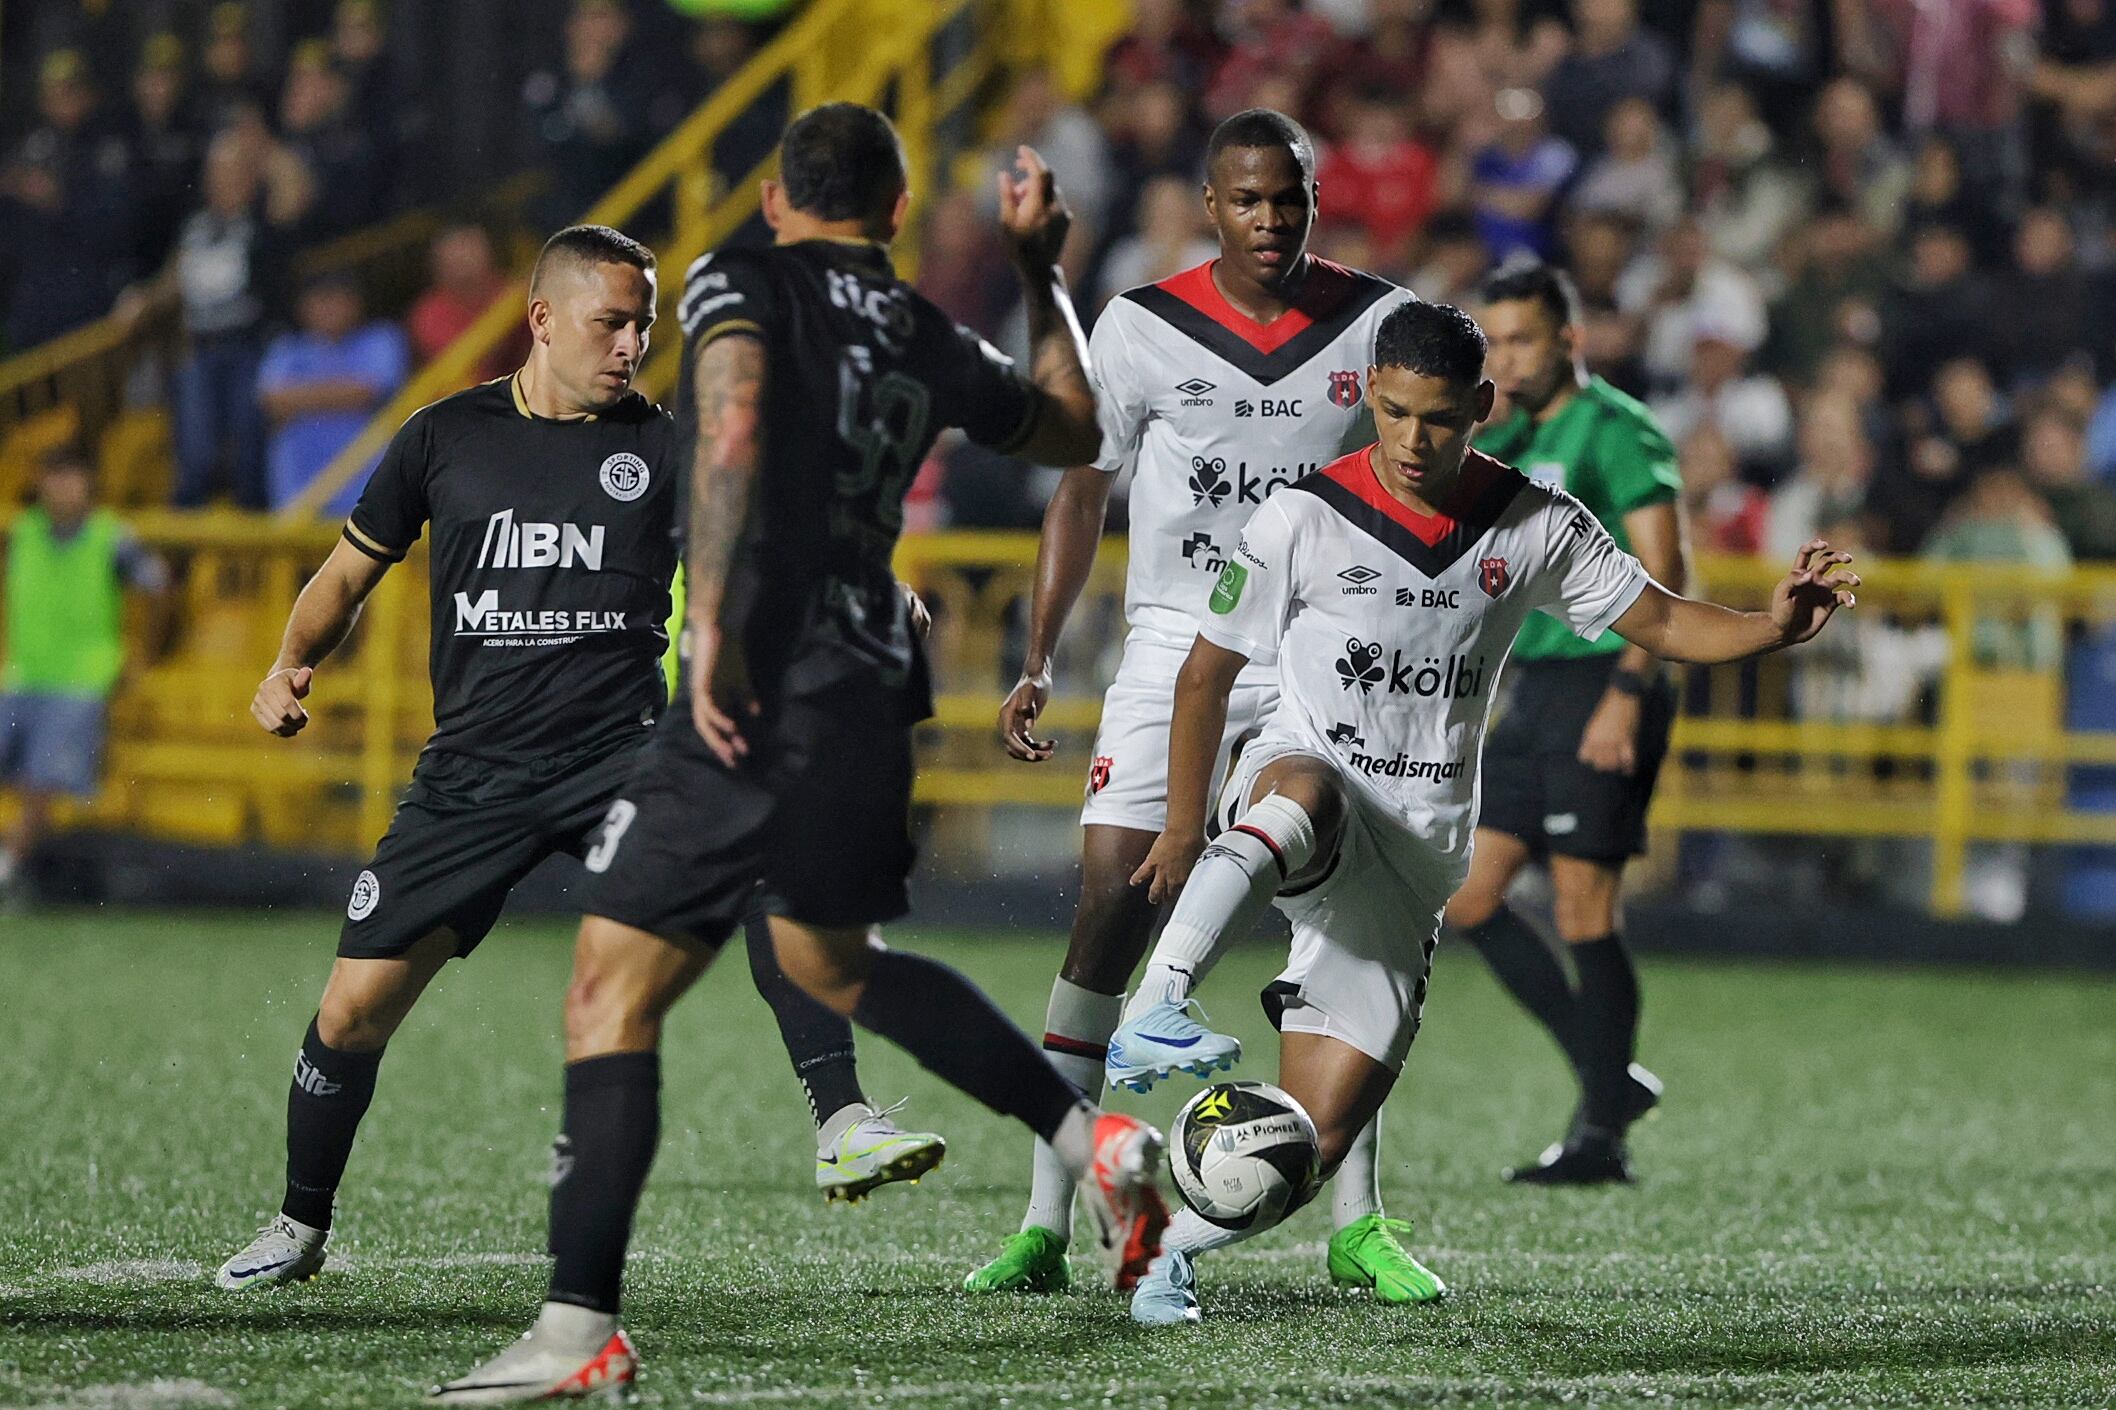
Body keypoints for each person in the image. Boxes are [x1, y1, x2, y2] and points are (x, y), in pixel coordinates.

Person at [433, 106, 1164, 1403]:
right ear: (891, 216)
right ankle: (1088, 1133)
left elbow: (727, 428)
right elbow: (1071, 430)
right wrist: (1042, 266)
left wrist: (711, 622)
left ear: (776, 200)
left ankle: (579, 1324)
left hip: (765, 672)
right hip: (878, 681)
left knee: (608, 992)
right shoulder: (926, 329)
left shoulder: (739, 278)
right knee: (833, 961)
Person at [213, 224, 940, 1295]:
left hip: (622, 756)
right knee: (350, 1015)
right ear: (541, 319)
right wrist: (288, 662)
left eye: (644, 323)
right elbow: (346, 572)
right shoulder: (440, 436)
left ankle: (841, 1116)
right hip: (472, 775)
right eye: (611, 322)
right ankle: (300, 1221)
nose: (631, 345)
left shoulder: (668, 442)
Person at [1117, 299, 1857, 1323]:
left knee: (1308, 1142)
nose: (1411, 441)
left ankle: (1164, 1247)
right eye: (1391, 413)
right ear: (1368, 397)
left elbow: (1660, 619)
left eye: (1436, 418)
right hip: (1306, 774)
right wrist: (1174, 830)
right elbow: (1203, 680)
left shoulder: (1536, 523)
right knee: (1303, 795)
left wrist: (1771, 629)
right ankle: (1158, 1002)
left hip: (1417, 857)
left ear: (1479, 406)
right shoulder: (1301, 514)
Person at [970, 108, 1429, 1303]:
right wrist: (1036, 658)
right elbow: (1081, 492)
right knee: (1106, 914)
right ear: (1207, 206)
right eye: (1246, 201)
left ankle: (1360, 1222)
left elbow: (1422, 486)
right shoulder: (1140, 327)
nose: (1269, 220)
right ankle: (1043, 1223)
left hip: (1318, 653)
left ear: (1312, 202)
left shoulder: (1377, 325)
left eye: (1289, 199)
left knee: (1349, 933)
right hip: (1174, 643)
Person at [1442, 263, 1687, 1183]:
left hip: (1605, 686)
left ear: (1569, 342)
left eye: (1522, 341)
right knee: (1470, 896)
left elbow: (1665, 567)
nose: (1505, 357)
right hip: (1537, 686)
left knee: (1586, 904)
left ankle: (1600, 1133)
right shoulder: (1508, 432)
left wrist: (1628, 694)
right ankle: (1609, 1079)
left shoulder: (1617, 428)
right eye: (1494, 340)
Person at [0, 449, 169, 904]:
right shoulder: (20, 531)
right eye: (55, 477)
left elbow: (157, 586)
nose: (63, 488)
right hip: (20, 676)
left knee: (43, 775)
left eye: (71, 477)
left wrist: (141, 657)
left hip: (82, 681)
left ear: (88, 483)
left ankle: (7, 867)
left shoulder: (111, 538)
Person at [258, 273, 410, 515]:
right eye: (321, 300)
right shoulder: (286, 348)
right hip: (297, 493)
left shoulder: (382, 339)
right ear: (303, 307)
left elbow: (367, 391)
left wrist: (299, 397)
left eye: (338, 299)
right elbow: (272, 401)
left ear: (356, 303)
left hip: (366, 498)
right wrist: (340, 393)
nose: (330, 308)